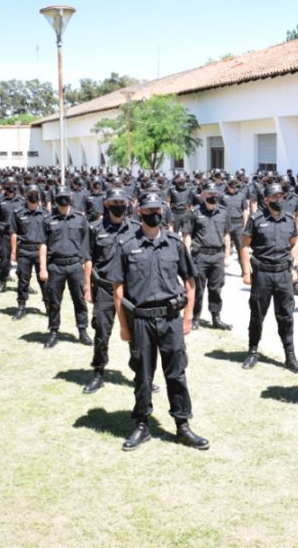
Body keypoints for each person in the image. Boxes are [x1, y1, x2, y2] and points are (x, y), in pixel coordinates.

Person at [109, 191, 209, 451]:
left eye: (157, 209)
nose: (154, 213)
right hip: (141, 321)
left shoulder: (175, 243)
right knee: (142, 376)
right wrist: (123, 325)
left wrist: (188, 317)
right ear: (139, 211)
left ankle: (182, 425)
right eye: (149, 209)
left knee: (176, 374)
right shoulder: (127, 244)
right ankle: (142, 425)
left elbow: (190, 280)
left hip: (171, 319)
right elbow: (118, 288)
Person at [239, 183, 298, 373]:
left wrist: (295, 268)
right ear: (266, 199)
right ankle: (252, 351)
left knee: (286, 316)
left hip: (283, 273)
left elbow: (293, 244)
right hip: (263, 274)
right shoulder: (256, 219)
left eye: (280, 196)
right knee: (257, 315)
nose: (278, 199)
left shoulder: (289, 219)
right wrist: (246, 272)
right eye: (274, 196)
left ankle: (290, 356)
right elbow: (244, 245)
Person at [84, 188, 139, 394]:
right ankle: (98, 373)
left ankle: (140, 374)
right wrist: (87, 288)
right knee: (101, 332)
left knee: (136, 333)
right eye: (114, 202)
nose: (118, 206)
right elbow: (88, 259)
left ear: (127, 204)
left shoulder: (135, 228)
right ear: (106, 204)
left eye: (121, 202)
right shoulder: (95, 228)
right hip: (105, 288)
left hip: (130, 290)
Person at [38, 188, 93, 349]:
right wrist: (42, 268)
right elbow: (43, 245)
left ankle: (82, 331)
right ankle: (53, 331)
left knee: (79, 300)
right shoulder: (48, 219)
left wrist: (87, 274)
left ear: (70, 198)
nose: (63, 200)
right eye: (60, 197)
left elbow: (86, 248)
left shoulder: (80, 219)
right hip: (56, 266)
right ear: (56, 199)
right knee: (54, 301)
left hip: (75, 265)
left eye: (65, 197)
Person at [184, 182, 232, 331]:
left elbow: (227, 235)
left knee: (216, 289)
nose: (213, 196)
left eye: (215, 193)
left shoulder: (223, 212)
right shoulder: (195, 212)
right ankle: (195, 318)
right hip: (200, 256)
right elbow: (187, 235)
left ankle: (216, 318)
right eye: (210, 193)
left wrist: (227, 255)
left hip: (217, 256)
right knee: (198, 290)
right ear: (203, 195)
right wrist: (187, 256)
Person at [9, 185, 48, 321]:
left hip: (40, 251)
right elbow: (13, 233)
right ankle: (21, 307)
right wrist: (13, 251)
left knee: (44, 280)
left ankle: (48, 306)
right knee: (23, 281)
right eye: (31, 193)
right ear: (26, 195)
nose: (33, 195)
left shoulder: (45, 213)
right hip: (24, 251)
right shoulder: (18, 212)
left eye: (35, 193)